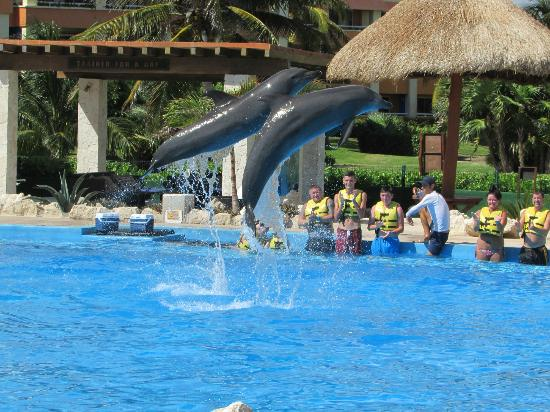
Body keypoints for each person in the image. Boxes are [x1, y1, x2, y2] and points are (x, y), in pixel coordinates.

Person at [405, 176, 450, 256]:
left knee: (429, 259)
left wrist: (407, 215)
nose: (422, 187)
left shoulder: (431, 196)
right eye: (422, 186)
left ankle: (428, 235)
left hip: (439, 235)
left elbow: (417, 206)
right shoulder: (437, 196)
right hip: (441, 232)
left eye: (425, 186)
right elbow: (422, 202)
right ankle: (428, 234)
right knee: (422, 210)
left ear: (432, 186)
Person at [334, 171, 367, 255]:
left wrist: (354, 201)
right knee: (340, 255)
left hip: (355, 230)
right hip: (342, 230)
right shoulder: (338, 195)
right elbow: (336, 217)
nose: (348, 182)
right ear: (343, 181)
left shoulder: (362, 194)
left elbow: (361, 216)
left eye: (351, 180)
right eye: (347, 180)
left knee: (356, 256)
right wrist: (341, 205)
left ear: (355, 181)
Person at [472, 185, 508, 262]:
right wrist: (477, 222)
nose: (491, 202)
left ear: (499, 201)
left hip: (496, 250)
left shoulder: (502, 213)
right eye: (489, 200)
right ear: (487, 200)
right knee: (481, 272)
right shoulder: (480, 211)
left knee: (494, 272)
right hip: (482, 248)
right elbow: (475, 229)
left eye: (494, 200)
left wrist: (498, 222)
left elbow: (501, 230)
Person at [298, 184, 335, 253]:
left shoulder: (328, 201)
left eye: (317, 192)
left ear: (321, 192)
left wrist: (318, 218)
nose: (315, 195)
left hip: (326, 238)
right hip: (312, 239)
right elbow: (299, 222)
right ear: (310, 195)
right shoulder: (306, 205)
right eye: (313, 193)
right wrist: (309, 221)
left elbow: (332, 217)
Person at [368, 186, 404, 256]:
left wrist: (391, 233)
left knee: (390, 265)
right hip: (378, 241)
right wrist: (376, 226)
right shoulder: (374, 207)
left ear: (392, 196)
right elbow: (369, 227)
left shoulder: (398, 208)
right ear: (380, 195)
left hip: (392, 241)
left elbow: (401, 228)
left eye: (387, 195)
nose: (385, 198)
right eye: (383, 195)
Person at [519, 191, 550, 266]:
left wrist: (535, 228)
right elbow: (519, 228)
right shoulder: (525, 212)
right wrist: (517, 226)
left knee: (540, 275)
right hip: (526, 250)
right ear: (532, 200)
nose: (536, 200)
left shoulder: (547, 213)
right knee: (524, 275)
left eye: (539, 198)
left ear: (543, 199)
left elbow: (545, 231)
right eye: (535, 198)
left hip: (540, 250)